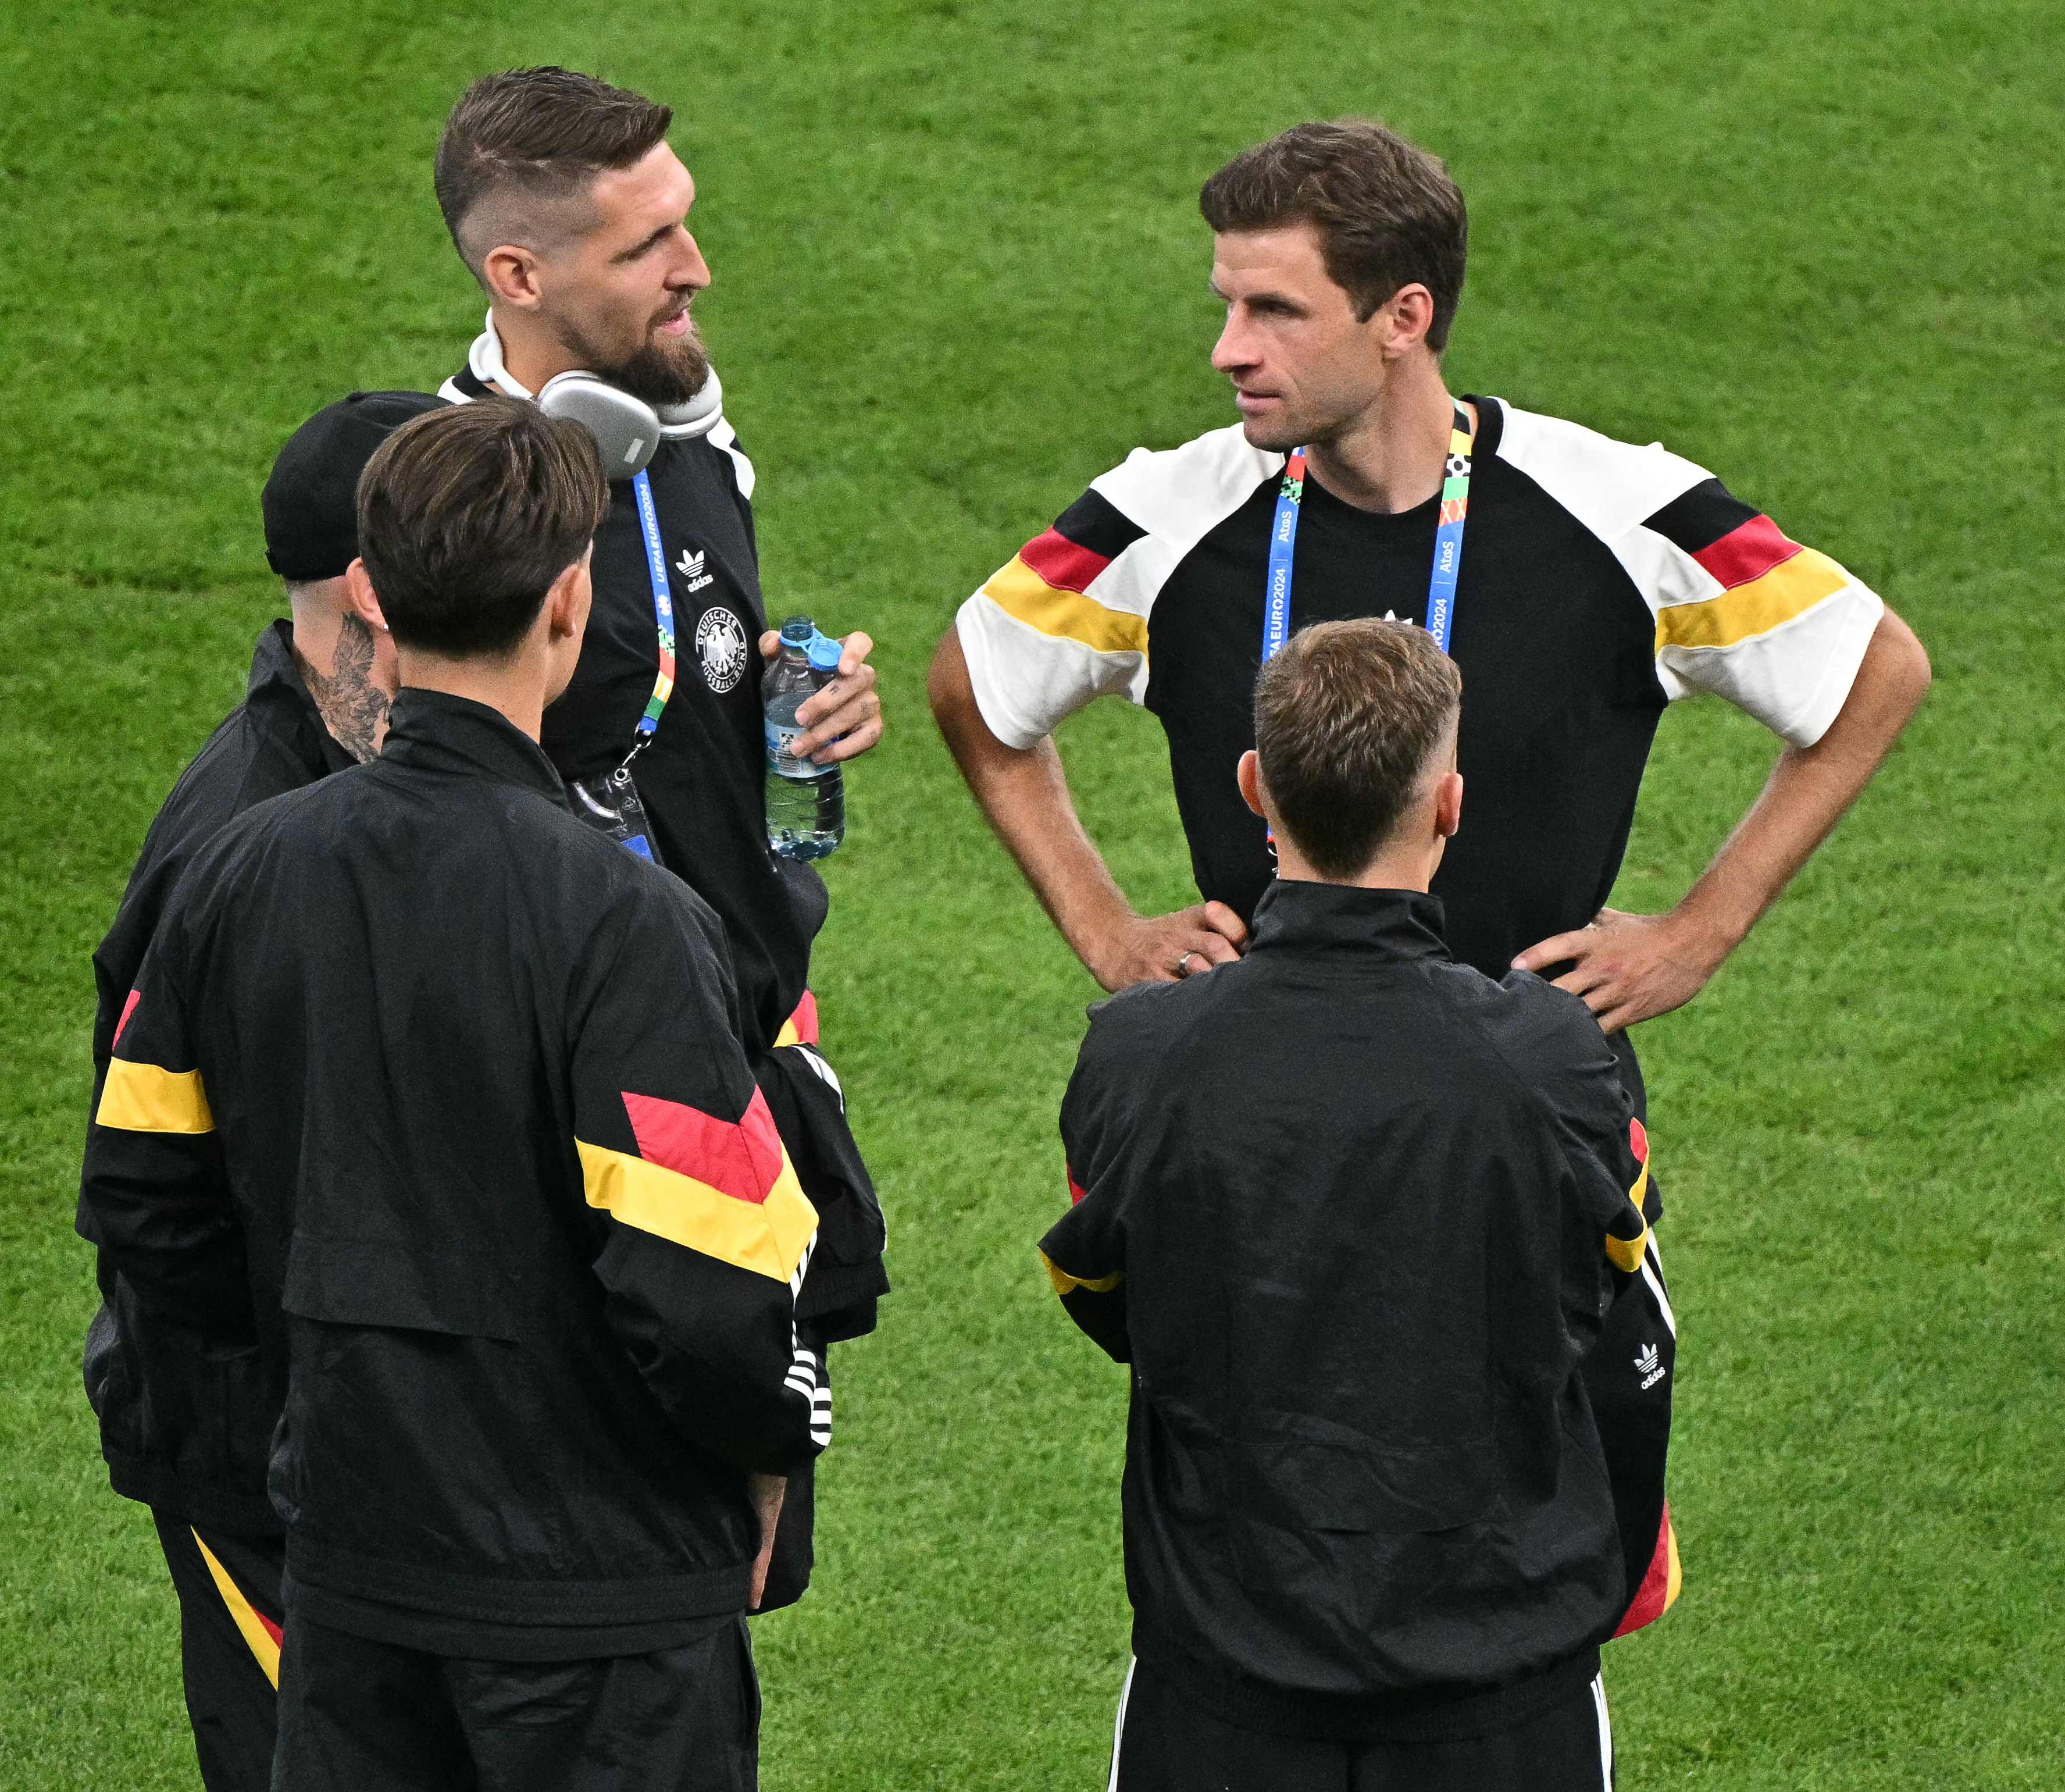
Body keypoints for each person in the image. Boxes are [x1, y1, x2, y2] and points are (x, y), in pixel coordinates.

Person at [933, 119, 1931, 1623]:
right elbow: (972, 687)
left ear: (1401, 319)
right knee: (1257, 1550)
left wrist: (1698, 931)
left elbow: (1874, 667)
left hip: (1522, 1123)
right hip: (1265, 1118)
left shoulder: (1620, 506)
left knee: (1552, 1563)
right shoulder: (1168, 510)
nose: (1226, 349)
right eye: (1223, 302)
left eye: (1272, 310)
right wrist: (1100, 922)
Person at [81, 398, 831, 1792]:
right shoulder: (630, 919)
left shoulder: (237, 874)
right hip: (600, 1604)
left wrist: (341, 1376)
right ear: (570, 598)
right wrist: (774, 1441)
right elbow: (709, 1288)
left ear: (370, 597)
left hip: (354, 1576)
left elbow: (141, 1195)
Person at [1046, 618, 1653, 1789]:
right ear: (1448, 807)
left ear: (1252, 791)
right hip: (1502, 1695)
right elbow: (1608, 1283)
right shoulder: (1552, 1060)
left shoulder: (1138, 1055)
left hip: (1219, 1686)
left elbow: (1111, 1294)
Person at [430, 66, 887, 1595]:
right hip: (560, 1112)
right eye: (646, 246)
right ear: (521, 275)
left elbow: (678, 690)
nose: (694, 269)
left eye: (683, 224)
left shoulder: (683, 438)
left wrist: (788, 715)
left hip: (724, 1058)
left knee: (723, 1585)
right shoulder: (437, 509)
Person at [77, 388, 441, 1792]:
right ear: (374, 589)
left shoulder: (379, 773)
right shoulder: (242, 843)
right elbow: (147, 1199)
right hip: (259, 1453)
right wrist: (317, 1375)